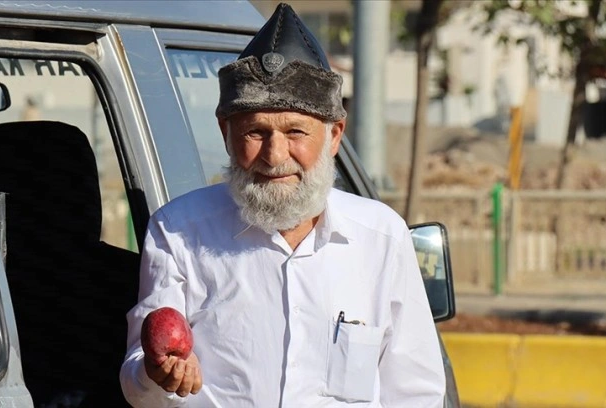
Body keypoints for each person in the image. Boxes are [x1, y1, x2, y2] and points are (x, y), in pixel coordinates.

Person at [120, 3, 445, 407]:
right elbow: (137, 385)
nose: (275, 156)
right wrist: (155, 374)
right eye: (255, 132)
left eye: (295, 132)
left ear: (334, 135)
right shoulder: (179, 232)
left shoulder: (380, 237)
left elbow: (416, 393)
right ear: (226, 134)